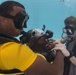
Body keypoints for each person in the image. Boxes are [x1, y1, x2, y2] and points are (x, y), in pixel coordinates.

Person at [0, 1, 68, 75]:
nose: (24, 26)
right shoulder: (13, 50)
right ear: (2, 20)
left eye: (25, 21)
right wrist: (60, 49)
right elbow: (56, 73)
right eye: (20, 20)